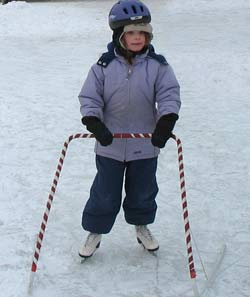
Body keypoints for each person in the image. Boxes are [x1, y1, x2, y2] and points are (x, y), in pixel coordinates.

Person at [78, 0, 181, 258]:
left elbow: (169, 94)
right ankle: (95, 231)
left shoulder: (158, 66)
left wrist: (166, 119)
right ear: (119, 35)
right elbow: (90, 98)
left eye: (143, 33)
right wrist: (94, 122)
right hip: (110, 144)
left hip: (146, 144)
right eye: (132, 33)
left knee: (143, 190)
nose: (138, 38)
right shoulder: (102, 67)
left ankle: (141, 226)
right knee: (104, 192)